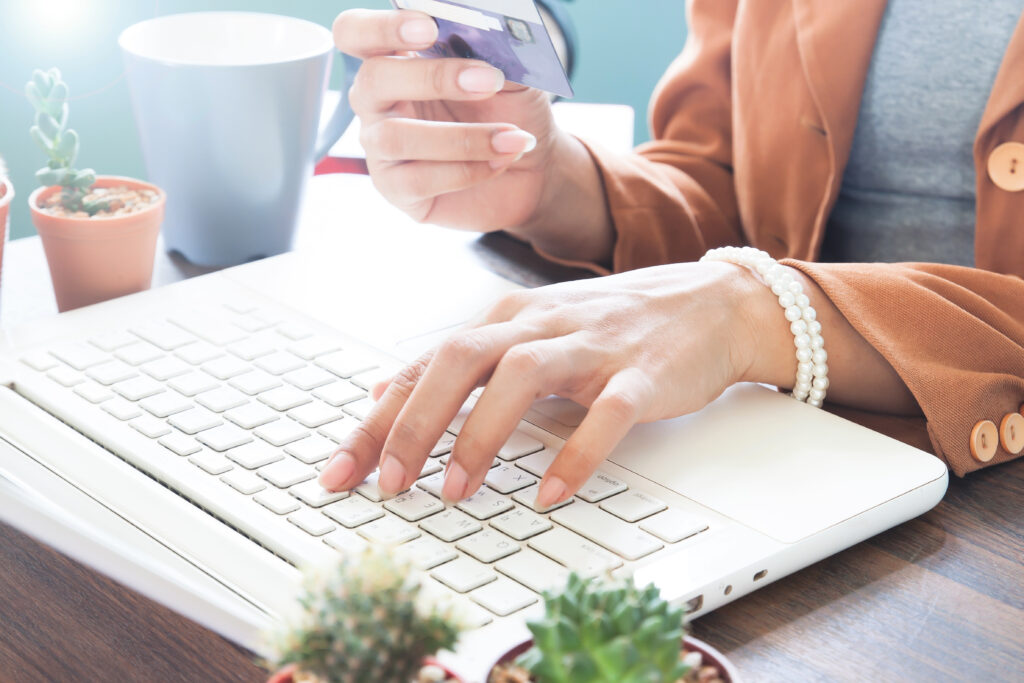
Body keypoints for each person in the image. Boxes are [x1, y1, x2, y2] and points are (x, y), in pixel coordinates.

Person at [319, 1, 1024, 510]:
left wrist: (758, 309)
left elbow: (745, 289)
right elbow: (724, 180)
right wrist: (555, 184)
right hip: (780, 454)